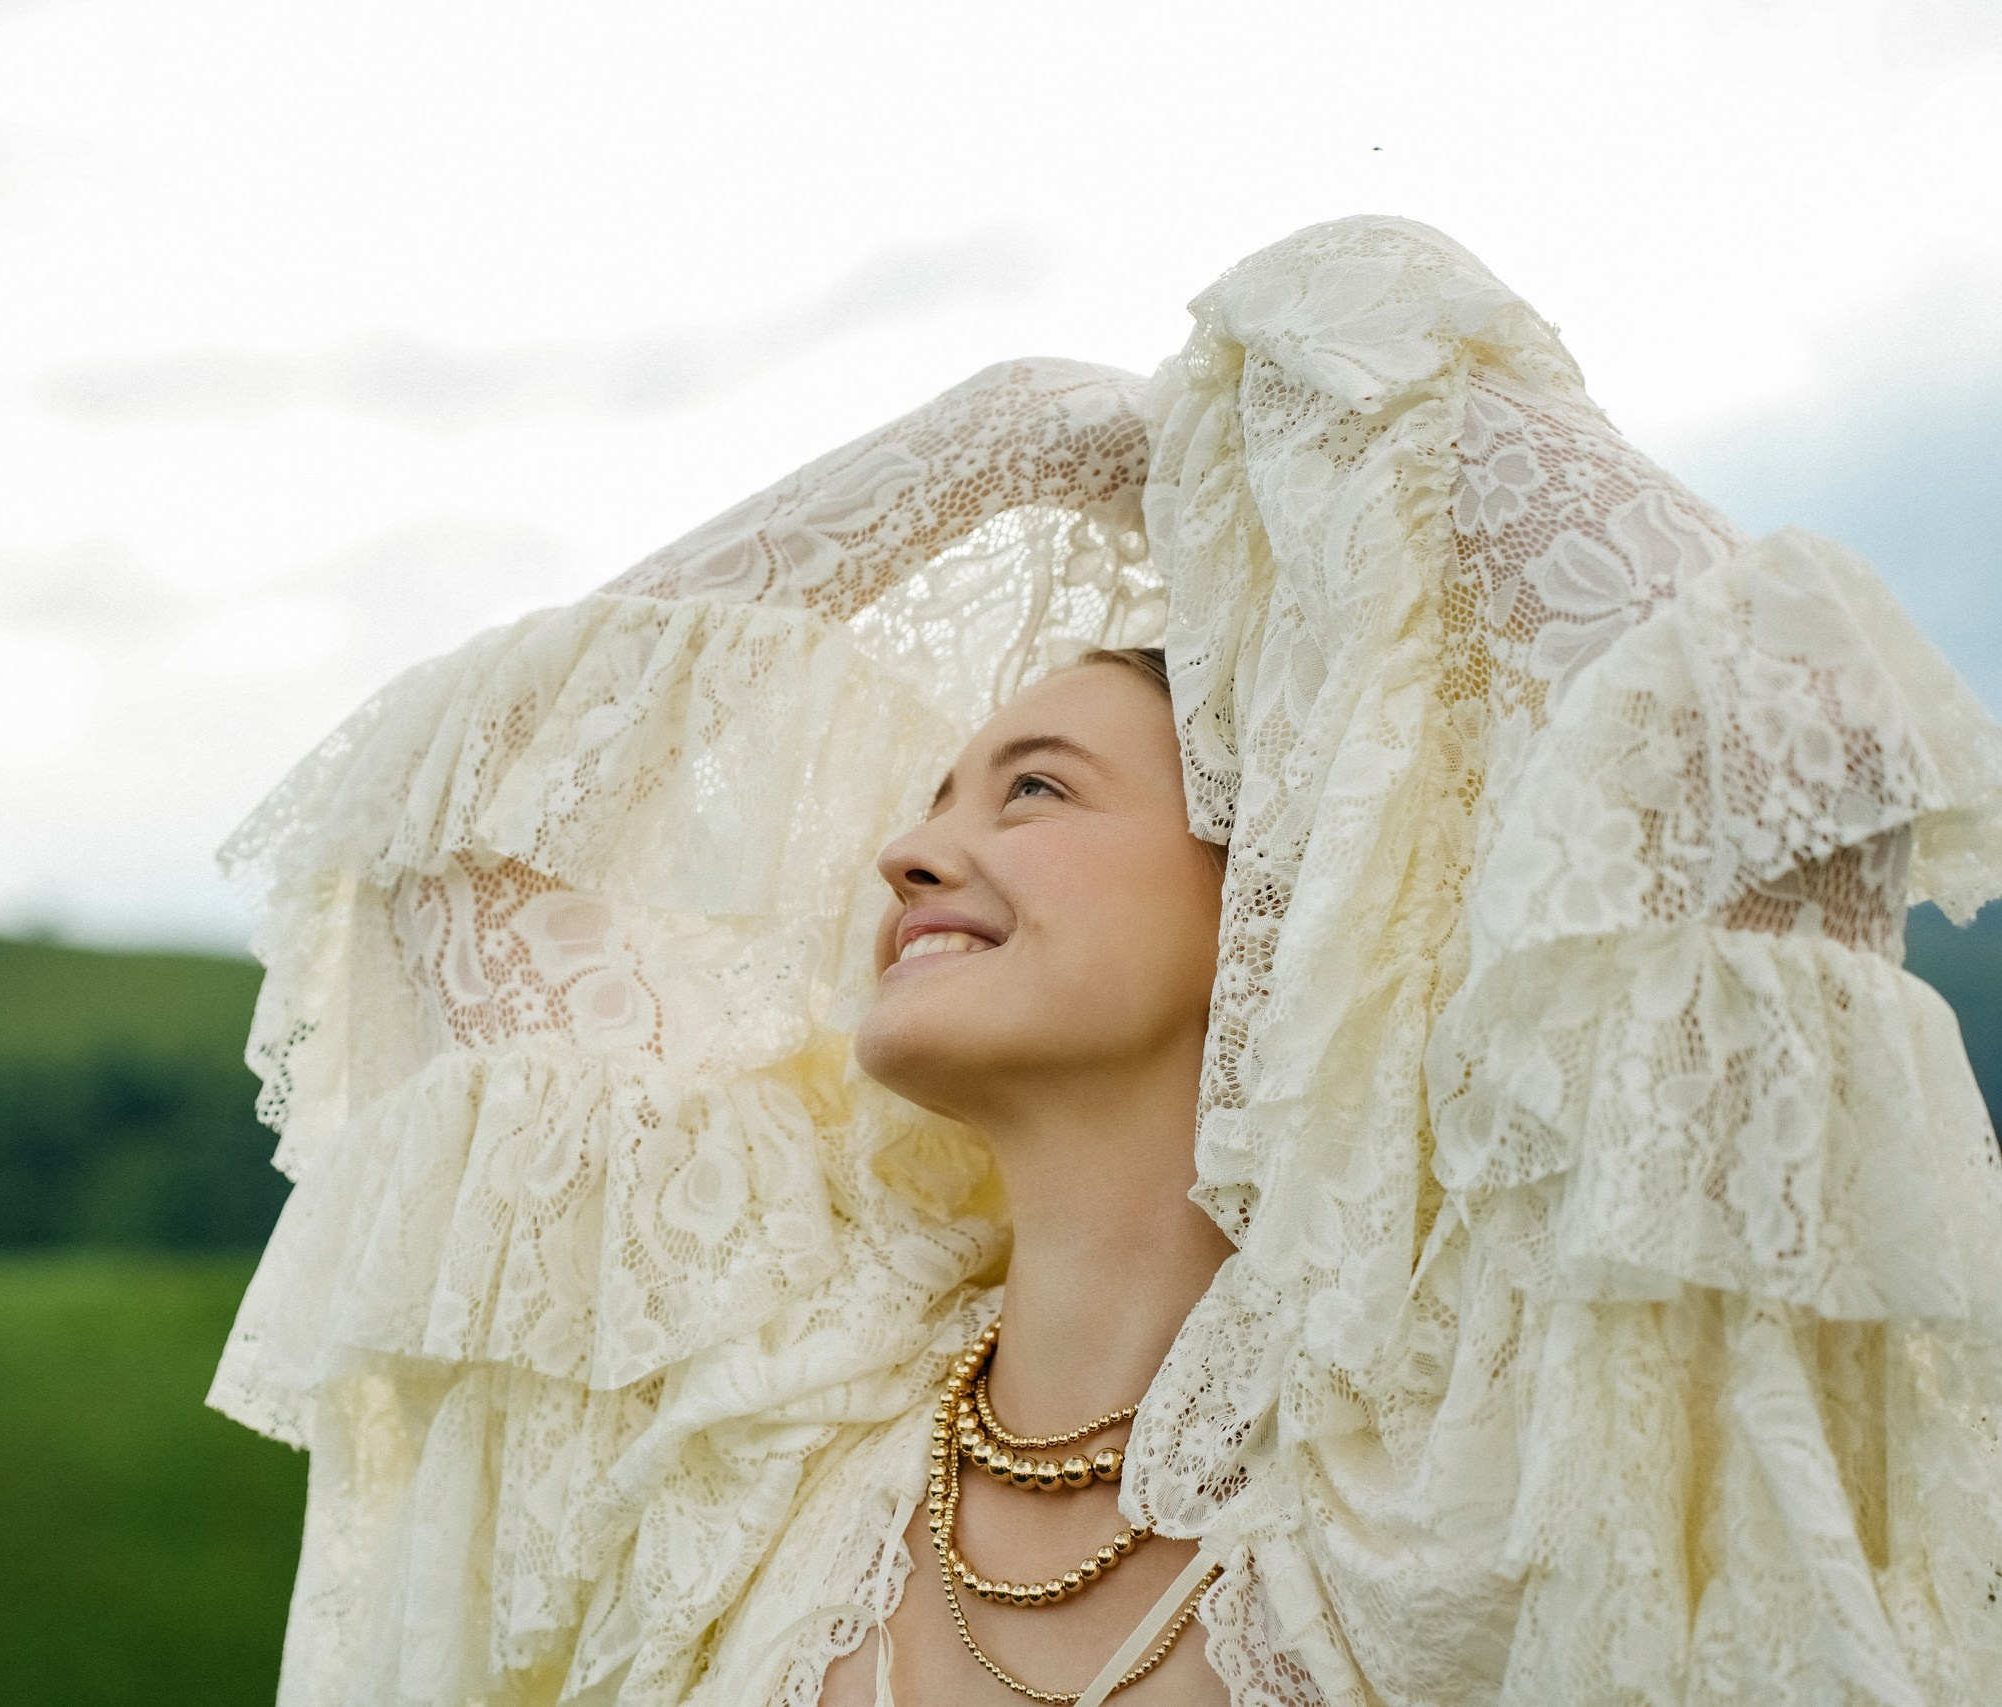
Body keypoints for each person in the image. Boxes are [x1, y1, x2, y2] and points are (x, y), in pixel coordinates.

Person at [207, 216, 2002, 1706]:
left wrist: (1309, 449)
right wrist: (994, 442)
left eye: (1036, 786)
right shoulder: (750, 1459)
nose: (911, 849)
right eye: (926, 800)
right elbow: (447, 851)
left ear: (1277, 900)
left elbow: (1799, 750)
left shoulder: (1457, 1476)